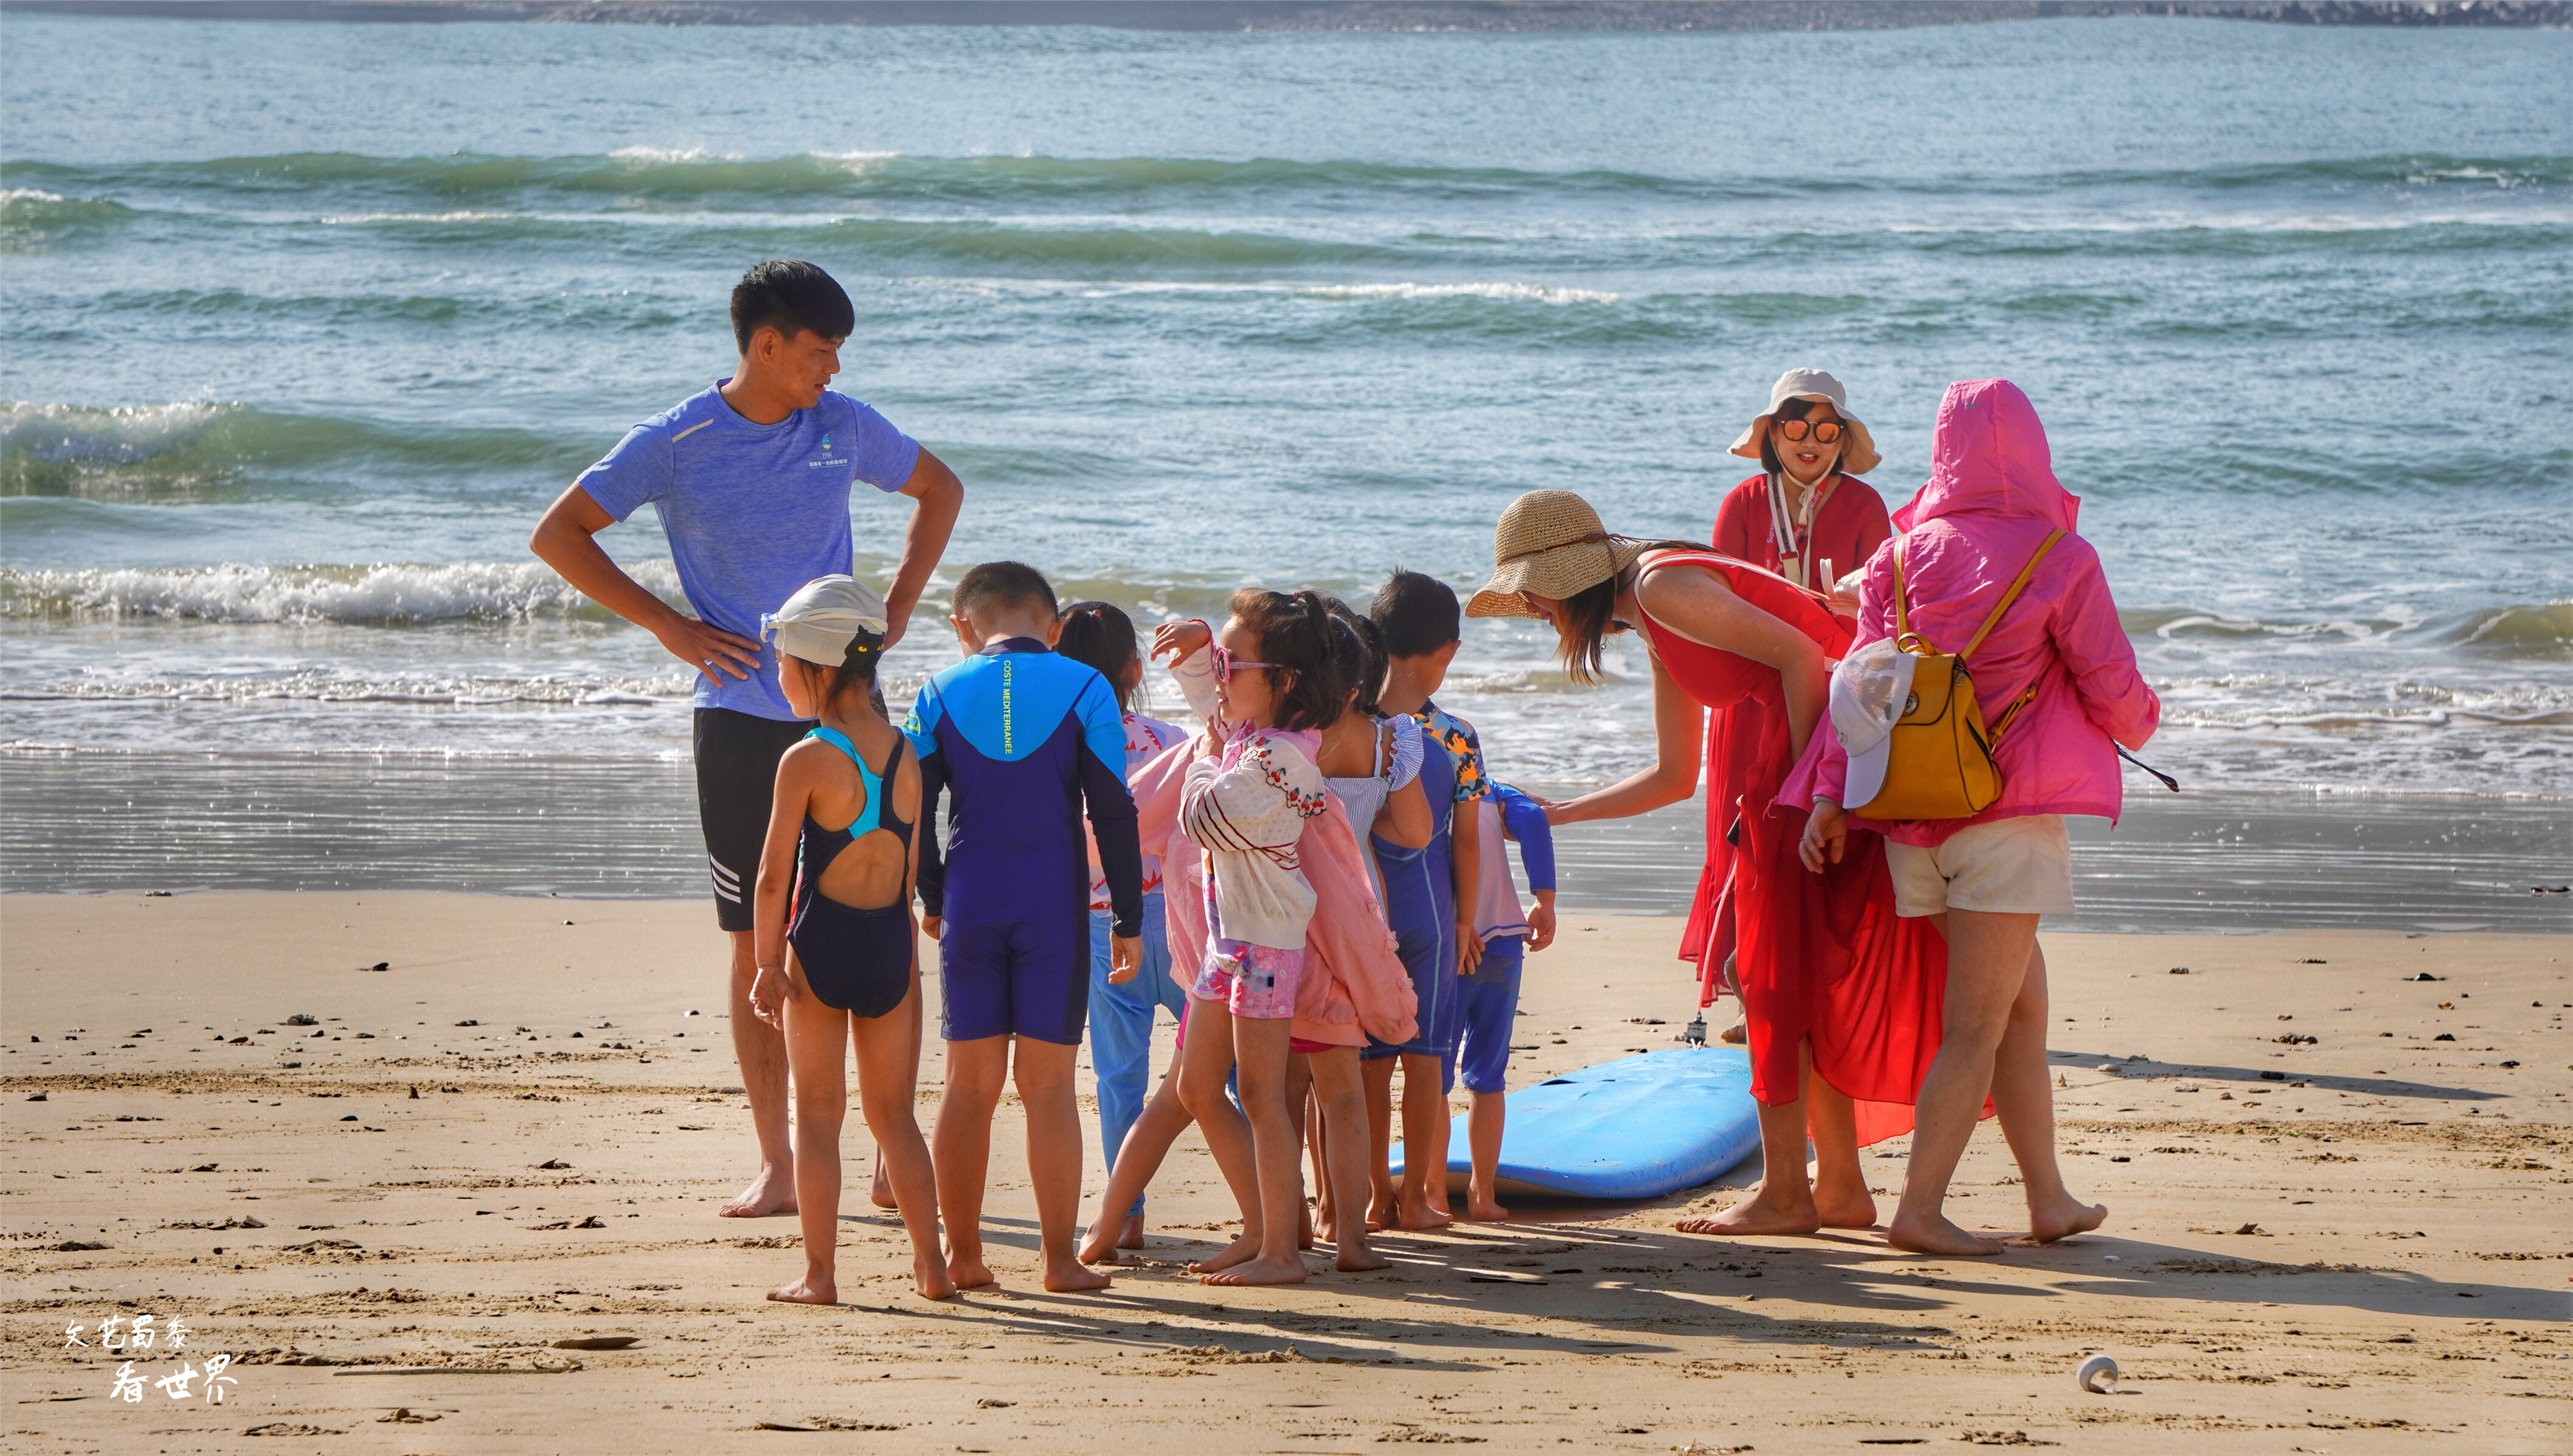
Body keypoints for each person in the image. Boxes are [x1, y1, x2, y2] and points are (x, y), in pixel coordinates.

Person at [529, 259, 963, 1219]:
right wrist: (669, 627)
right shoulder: (676, 440)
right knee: (752, 941)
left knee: (883, 922)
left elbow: (941, 490)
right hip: (736, 720)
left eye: (839, 354)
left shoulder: (842, 427)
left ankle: (892, 1150)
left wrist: (893, 609)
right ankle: (778, 1162)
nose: (832, 372)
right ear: (766, 346)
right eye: (819, 353)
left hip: (852, 718)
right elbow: (558, 534)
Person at [1469, 488, 1947, 1238]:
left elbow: (1805, 658)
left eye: (1530, 591)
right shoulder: (1651, 614)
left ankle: (1788, 1194)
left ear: (1568, 576)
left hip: (1809, 776)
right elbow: (1673, 777)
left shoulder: (1663, 586)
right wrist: (1559, 813)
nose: (1531, 610)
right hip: (1804, 776)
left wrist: (1806, 800)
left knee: (1772, 985)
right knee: (1793, 983)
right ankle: (1840, 1187)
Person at [1792, 378, 2157, 1255]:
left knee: (2021, 1013)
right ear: (2032, 448)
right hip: (2006, 822)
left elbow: (1861, 691)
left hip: (1912, 823)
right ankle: (1920, 1211)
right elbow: (2113, 688)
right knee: (1977, 1027)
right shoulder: (2060, 558)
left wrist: (1831, 797)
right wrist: (2144, 724)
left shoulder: (1898, 556)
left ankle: (2050, 1200)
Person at [906, 562, 1141, 1293]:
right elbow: (1112, 809)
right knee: (1048, 1088)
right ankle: (1057, 1262)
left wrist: (933, 896)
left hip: (973, 900)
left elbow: (913, 810)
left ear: (962, 625)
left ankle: (963, 1257)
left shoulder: (938, 690)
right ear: (1055, 625)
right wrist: (1130, 916)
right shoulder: (1086, 686)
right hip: (1053, 907)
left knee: (966, 1087)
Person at [743, 576, 953, 1303]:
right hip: (891, 953)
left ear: (820, 668)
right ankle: (932, 1266)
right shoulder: (905, 753)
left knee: (821, 1119)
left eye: (782, 662)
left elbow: (773, 879)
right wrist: (904, 960)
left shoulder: (804, 758)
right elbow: (908, 869)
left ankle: (821, 1274)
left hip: (821, 950)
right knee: (896, 1117)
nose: (778, 674)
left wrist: (767, 964)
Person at [1699, 370, 1895, 1039]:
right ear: (1771, 433)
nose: (1809, 442)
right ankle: (1755, 988)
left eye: (1825, 429)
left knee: (1819, 837)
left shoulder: (1866, 507)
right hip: (1750, 702)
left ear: (1842, 439)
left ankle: (1816, 989)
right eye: (1795, 426)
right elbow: (1714, 604)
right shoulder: (1742, 502)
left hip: (1837, 698)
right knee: (1745, 836)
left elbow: (1886, 613)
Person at [1175, 589, 1347, 1286]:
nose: (1219, 673)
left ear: (1283, 680)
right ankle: (1260, 1228)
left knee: (1261, 1093)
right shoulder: (1249, 739)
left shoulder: (1279, 759)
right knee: (1196, 1086)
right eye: (1218, 658)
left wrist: (1202, 760)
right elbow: (1205, 711)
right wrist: (1195, 652)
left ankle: (1283, 1250)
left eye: (1230, 661)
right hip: (1231, 941)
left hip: (1265, 944)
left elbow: (1202, 819)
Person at [1052, 601, 1189, 1253]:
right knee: (1230, 1072)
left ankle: (1126, 1213)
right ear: (1135, 668)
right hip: (1183, 920)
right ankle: (1273, 1208)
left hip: (1102, 924)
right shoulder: (1171, 740)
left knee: (1118, 1078)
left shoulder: (1055, 751)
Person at [1365, 570, 1488, 1228]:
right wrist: (1467, 918)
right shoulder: (1456, 736)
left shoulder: (1350, 727)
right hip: (1433, 911)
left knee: (1365, 1065)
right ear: (1448, 651)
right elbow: (1465, 841)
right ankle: (1416, 1198)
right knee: (1425, 1059)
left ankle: (1368, 1199)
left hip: (1361, 910)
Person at [1455, 780, 1557, 1222]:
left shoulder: (1411, 782)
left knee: (1432, 1072)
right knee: (1487, 1072)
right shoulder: (1489, 788)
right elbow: (1533, 818)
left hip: (1447, 941)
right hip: (1502, 942)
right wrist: (1544, 900)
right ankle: (1483, 1193)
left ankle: (1434, 1195)